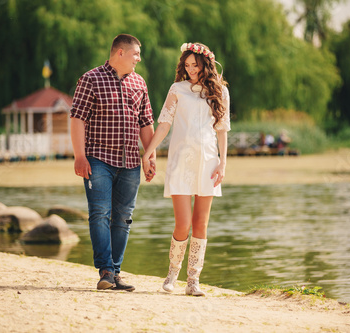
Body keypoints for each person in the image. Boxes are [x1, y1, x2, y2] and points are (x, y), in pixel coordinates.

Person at [142, 42, 230, 296]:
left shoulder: (220, 92)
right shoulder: (177, 89)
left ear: (206, 64)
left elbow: (222, 130)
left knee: (201, 224)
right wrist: (148, 152)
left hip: (208, 162)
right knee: (183, 224)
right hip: (181, 161)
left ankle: (193, 281)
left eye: (196, 65)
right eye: (187, 65)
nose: (191, 69)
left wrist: (223, 163)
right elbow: (164, 124)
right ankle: (171, 274)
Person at [70, 34, 156, 292]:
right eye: (136, 54)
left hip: (130, 161)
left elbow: (146, 123)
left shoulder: (139, 83)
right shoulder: (90, 79)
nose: (139, 59)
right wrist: (79, 155)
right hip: (98, 160)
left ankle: (115, 273)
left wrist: (149, 157)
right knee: (99, 213)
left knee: (123, 218)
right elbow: (77, 119)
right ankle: (105, 270)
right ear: (120, 53)